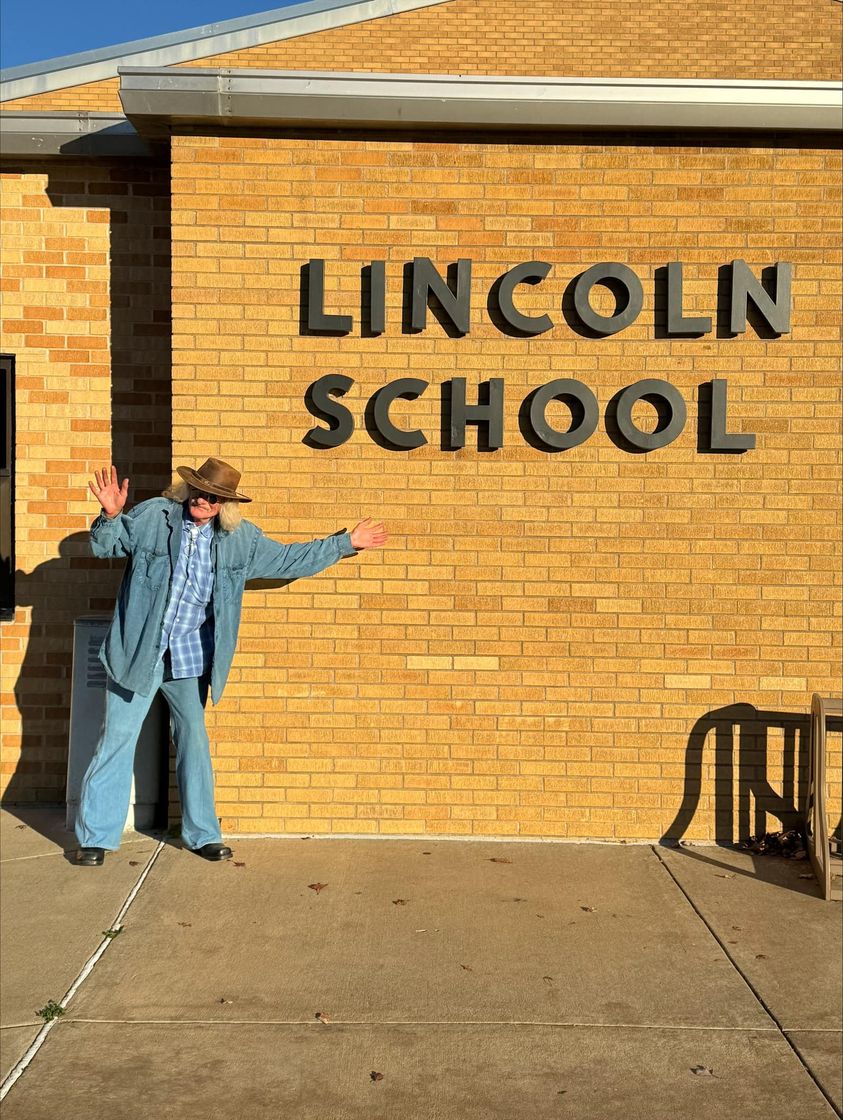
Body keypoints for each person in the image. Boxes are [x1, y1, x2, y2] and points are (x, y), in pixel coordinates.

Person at [75, 458, 387, 866]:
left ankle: (203, 834)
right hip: (138, 650)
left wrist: (345, 543)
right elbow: (105, 546)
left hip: (189, 655)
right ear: (188, 489)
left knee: (194, 741)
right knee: (117, 739)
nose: (203, 499)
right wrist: (111, 515)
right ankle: (96, 837)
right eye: (199, 490)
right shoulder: (155, 516)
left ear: (225, 504)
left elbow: (290, 560)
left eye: (214, 496)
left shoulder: (240, 540)